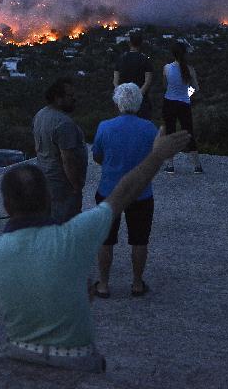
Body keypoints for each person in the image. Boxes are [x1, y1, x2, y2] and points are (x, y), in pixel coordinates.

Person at [0, 128, 190, 372]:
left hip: (18, 357)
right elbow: (123, 193)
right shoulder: (74, 236)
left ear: (7, 205)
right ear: (49, 198)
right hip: (74, 361)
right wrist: (157, 156)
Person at [91, 83, 157, 298]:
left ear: (117, 102)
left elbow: (97, 157)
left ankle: (103, 285)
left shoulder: (104, 127)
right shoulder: (149, 128)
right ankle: (137, 284)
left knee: (105, 239)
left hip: (109, 191)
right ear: (138, 103)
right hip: (141, 192)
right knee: (139, 240)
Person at [33, 77, 88, 222]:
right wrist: (76, 186)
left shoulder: (40, 115)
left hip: (44, 180)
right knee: (65, 229)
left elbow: (37, 148)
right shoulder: (64, 123)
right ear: (58, 98)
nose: (74, 99)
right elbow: (67, 160)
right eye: (70, 96)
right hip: (62, 186)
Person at [161, 41, 202, 174]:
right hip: (184, 103)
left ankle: (170, 165)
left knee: (170, 133)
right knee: (189, 133)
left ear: (173, 53)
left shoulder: (167, 68)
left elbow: (165, 85)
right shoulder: (190, 69)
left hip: (169, 103)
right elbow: (196, 88)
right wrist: (186, 94)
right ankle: (197, 166)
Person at [113, 30, 154, 120]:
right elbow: (147, 82)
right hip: (142, 102)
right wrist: (138, 95)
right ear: (141, 44)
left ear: (129, 43)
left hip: (123, 102)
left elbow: (115, 81)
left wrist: (121, 95)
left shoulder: (121, 59)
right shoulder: (145, 60)